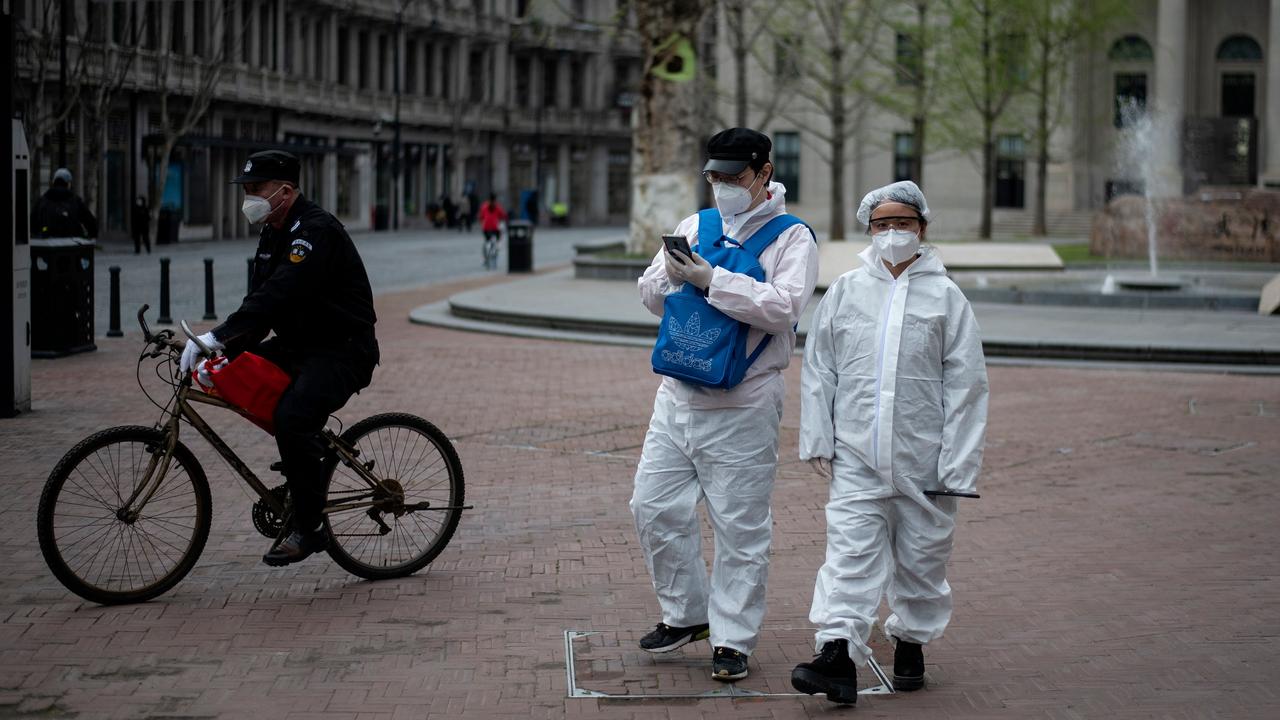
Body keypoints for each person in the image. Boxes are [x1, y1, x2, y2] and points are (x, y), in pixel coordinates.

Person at [631, 127, 819, 682]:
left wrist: (714, 279)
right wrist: (669, 275)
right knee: (652, 506)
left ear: (763, 174)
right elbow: (646, 294)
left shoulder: (793, 238)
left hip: (745, 402)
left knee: (740, 528)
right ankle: (688, 614)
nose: (722, 187)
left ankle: (733, 639)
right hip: (678, 393)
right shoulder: (697, 223)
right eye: (714, 177)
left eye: (733, 178)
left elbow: (784, 309)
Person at [790, 180, 988, 704]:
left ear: (922, 229)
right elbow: (820, 368)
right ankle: (836, 651)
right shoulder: (847, 291)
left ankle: (910, 638)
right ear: (868, 231)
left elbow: (966, 386)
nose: (892, 233)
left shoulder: (946, 297)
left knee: (923, 558)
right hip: (858, 454)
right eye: (882, 224)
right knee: (848, 554)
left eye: (903, 223)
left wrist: (959, 465)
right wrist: (818, 436)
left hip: (926, 459)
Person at [178, 150, 380, 567]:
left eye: (256, 189)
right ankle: (303, 462)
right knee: (242, 380)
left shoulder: (314, 231)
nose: (248, 197)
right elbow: (259, 306)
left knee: (292, 417)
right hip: (300, 345)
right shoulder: (273, 230)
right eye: (246, 189)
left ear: (284, 192)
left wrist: (215, 337)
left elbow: (281, 292)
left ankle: (310, 528)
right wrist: (221, 351)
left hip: (342, 349)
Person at [31, 167, 98, 239]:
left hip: (48, 242)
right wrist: (91, 235)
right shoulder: (75, 201)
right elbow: (90, 222)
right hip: (72, 243)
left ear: (54, 182)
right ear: (68, 184)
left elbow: (32, 223)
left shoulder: (43, 200)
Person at [477, 193, 508, 269]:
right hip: (494, 228)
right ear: (495, 200)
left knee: (488, 243)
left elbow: (480, 217)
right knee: (495, 244)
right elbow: (503, 215)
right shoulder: (497, 207)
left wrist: (481, 221)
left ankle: (487, 258)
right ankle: (493, 258)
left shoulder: (484, 206)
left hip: (487, 228)